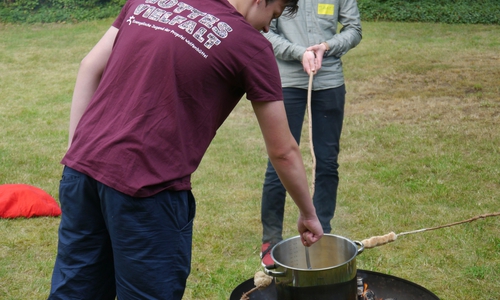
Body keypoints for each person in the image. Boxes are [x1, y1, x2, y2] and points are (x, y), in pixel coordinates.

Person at [47, 0, 325, 298]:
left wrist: (76, 153)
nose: (269, 26)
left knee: (76, 289)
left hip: (82, 170)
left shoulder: (146, 2)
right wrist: (308, 213)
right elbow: (283, 150)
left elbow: (89, 66)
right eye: (273, 14)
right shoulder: (250, 45)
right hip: (147, 189)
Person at [259, 0, 362, 266]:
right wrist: (298, 52)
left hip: (329, 82)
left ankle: (321, 232)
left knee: (327, 162)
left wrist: (325, 47)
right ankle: (271, 238)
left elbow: (354, 29)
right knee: (279, 161)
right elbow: (265, 29)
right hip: (288, 82)